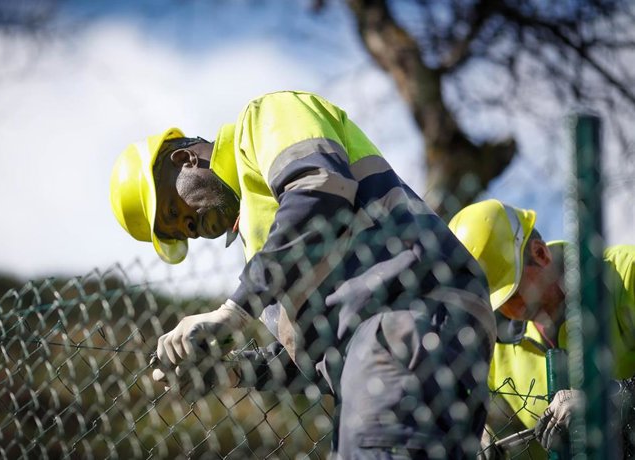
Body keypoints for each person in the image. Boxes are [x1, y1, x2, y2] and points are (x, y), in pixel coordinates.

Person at [109, 90, 496, 458]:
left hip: (405, 312)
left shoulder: (262, 119)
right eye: (183, 233)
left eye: (176, 212)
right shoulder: (260, 247)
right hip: (390, 348)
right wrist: (227, 371)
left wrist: (233, 310)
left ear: (184, 161)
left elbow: (320, 188)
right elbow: (314, 355)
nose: (192, 227)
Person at [448, 198, 635, 458]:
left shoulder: (626, 274)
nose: (510, 313)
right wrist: (487, 436)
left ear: (540, 254)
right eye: (497, 305)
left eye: (512, 295)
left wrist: (615, 398)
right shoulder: (496, 356)